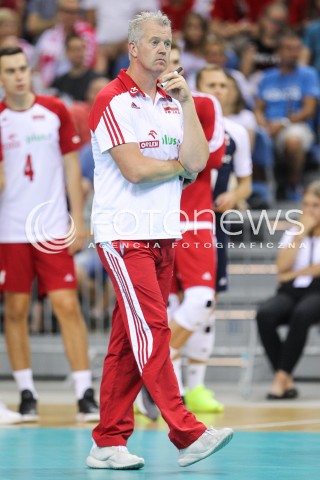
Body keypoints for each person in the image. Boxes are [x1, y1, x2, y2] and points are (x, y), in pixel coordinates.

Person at [86, 10, 233, 471]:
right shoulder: (111, 100)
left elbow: (197, 160)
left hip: (165, 231)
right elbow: (136, 169)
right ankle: (186, 431)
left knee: (128, 343)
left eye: (167, 42)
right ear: (133, 48)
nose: (163, 49)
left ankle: (107, 440)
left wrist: (187, 103)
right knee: (153, 327)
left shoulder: (173, 101)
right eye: (154, 42)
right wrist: (179, 168)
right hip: (123, 234)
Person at [0, 46, 99, 423]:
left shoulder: (55, 110)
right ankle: (27, 393)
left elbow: (72, 167)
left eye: (23, 68)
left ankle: (84, 392)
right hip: (10, 229)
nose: (19, 75)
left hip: (53, 226)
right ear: (2, 78)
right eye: (10, 70)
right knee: (16, 310)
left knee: (67, 306)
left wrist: (77, 219)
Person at [256, 180, 320, 399]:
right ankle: (285, 379)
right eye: (306, 204)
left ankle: (280, 379)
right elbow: (281, 265)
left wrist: (293, 274)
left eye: (315, 205)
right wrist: (301, 234)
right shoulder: (294, 232)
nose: (309, 210)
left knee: (302, 314)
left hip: (317, 292)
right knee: (265, 314)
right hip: (292, 291)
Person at [255, 31, 320, 201]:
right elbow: (258, 108)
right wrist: (263, 124)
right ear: (279, 52)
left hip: (295, 125)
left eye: (297, 49)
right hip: (268, 127)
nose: (294, 53)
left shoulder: (308, 74)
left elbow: (309, 110)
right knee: (251, 135)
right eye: (289, 49)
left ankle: (293, 185)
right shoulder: (268, 77)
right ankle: (261, 188)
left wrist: (283, 123)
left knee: (293, 139)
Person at [51, 33, 101, 103]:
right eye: (73, 50)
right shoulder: (59, 82)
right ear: (67, 53)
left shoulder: (96, 80)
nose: (77, 54)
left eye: (80, 49)